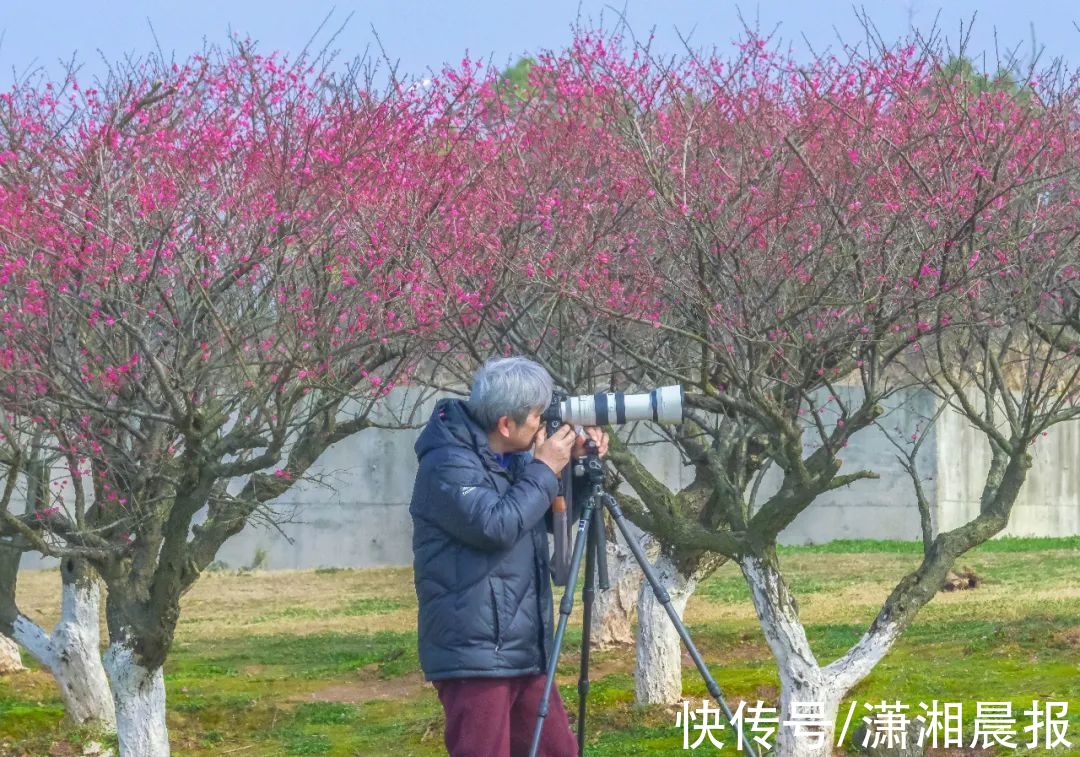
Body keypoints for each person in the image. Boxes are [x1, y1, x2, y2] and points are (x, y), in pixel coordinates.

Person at [409, 357, 609, 757]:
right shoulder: (447, 463)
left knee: (558, 751)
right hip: (475, 656)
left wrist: (580, 469)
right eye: (538, 416)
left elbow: (553, 519)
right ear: (505, 424)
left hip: (524, 648)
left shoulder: (517, 457)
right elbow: (495, 525)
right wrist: (544, 468)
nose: (543, 425)